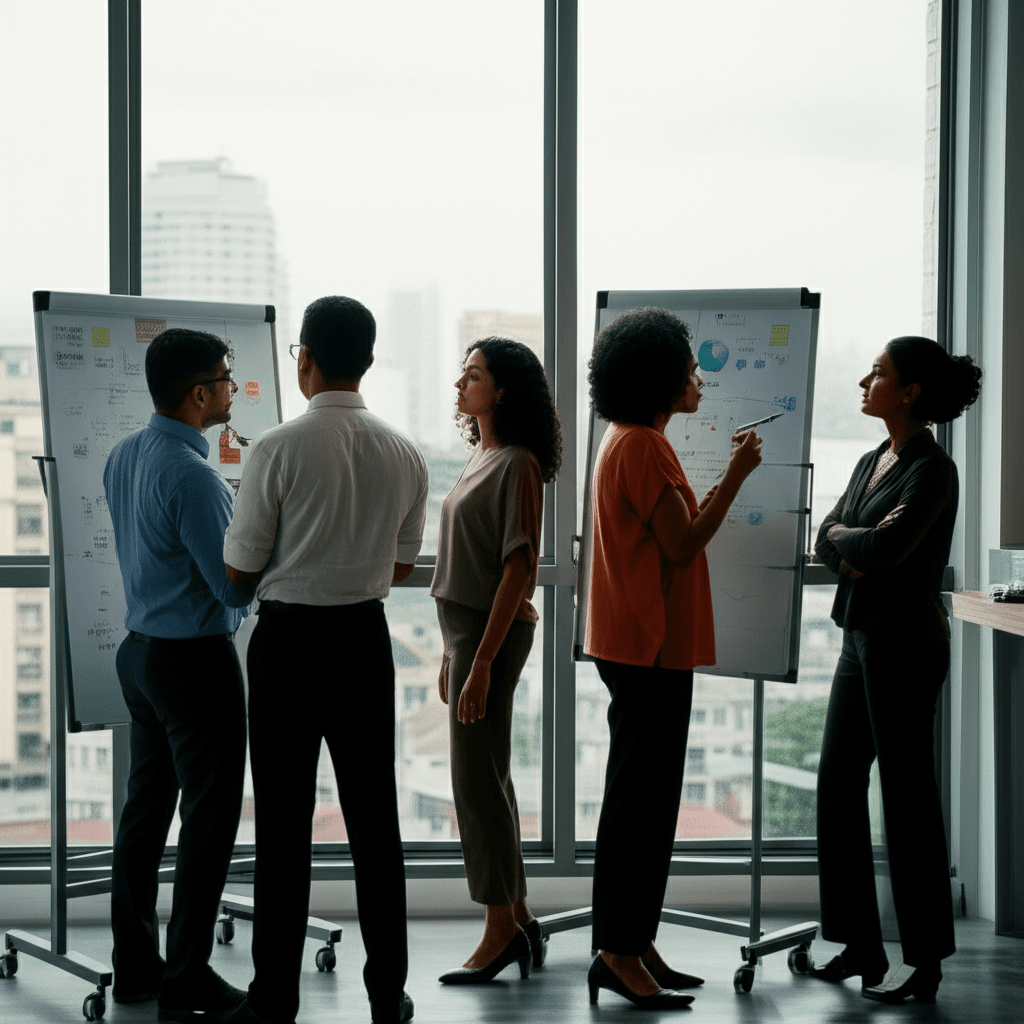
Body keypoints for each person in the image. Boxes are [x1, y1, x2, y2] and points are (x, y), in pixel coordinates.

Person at [220, 295, 427, 1024]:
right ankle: (386, 993)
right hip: (366, 643)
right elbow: (401, 566)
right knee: (376, 823)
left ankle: (274, 997)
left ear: (304, 358)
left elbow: (240, 572)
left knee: (283, 822)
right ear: (367, 362)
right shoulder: (404, 451)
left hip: (287, 645)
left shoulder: (275, 447)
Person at [583, 307, 763, 1010]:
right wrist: (738, 475)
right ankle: (619, 952)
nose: (699, 382)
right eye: (690, 370)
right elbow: (683, 545)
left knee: (641, 803)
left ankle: (633, 943)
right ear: (658, 376)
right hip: (650, 649)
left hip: (631, 644)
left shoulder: (621, 439)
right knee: (642, 808)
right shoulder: (646, 447)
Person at [811, 336, 982, 1004]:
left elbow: (882, 546)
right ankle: (860, 946)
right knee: (836, 782)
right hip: (860, 638)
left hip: (906, 645)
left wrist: (857, 546)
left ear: (909, 391)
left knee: (907, 798)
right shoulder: (869, 459)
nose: (865, 379)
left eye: (878, 373)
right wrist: (855, 547)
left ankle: (926, 963)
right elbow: (825, 536)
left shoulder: (932, 468)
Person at [104, 327, 255, 1022]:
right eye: (225, 379)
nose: (232, 388)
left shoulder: (124, 455)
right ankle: (187, 976)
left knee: (145, 816)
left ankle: (136, 969)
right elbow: (231, 590)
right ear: (200, 395)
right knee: (208, 818)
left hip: (140, 654)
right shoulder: (194, 476)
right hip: (193, 664)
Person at [430, 338, 563, 984]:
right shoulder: (481, 455)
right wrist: (454, 653)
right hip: (466, 635)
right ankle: (519, 916)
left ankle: (499, 929)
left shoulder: (517, 464)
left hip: (490, 635)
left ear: (504, 389)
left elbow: (521, 569)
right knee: (488, 780)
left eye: (474, 374)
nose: (462, 382)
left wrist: (479, 661)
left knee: (477, 787)